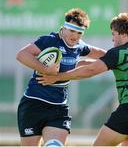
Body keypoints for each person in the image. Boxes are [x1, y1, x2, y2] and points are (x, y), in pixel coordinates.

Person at [37, 12, 128, 146]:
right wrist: (74, 63)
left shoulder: (118, 52)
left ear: (122, 34)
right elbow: (94, 65)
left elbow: (91, 70)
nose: (112, 39)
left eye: (114, 34)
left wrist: (57, 77)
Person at [16, 8, 106, 146]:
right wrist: (46, 69)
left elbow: (101, 53)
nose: (75, 36)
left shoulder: (79, 47)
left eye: (79, 33)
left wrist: (121, 54)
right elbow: (22, 55)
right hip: (33, 103)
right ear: (63, 28)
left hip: (58, 107)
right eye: (72, 31)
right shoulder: (50, 40)